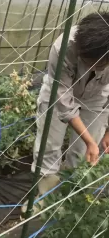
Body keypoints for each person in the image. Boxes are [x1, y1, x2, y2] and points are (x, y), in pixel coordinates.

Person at [32, 12, 109, 196]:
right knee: (49, 145)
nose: (91, 67)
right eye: (88, 62)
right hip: (59, 93)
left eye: (98, 65)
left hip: (97, 96)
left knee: (83, 152)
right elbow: (64, 101)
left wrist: (107, 131)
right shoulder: (63, 47)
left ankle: (70, 194)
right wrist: (91, 141)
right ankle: (46, 197)